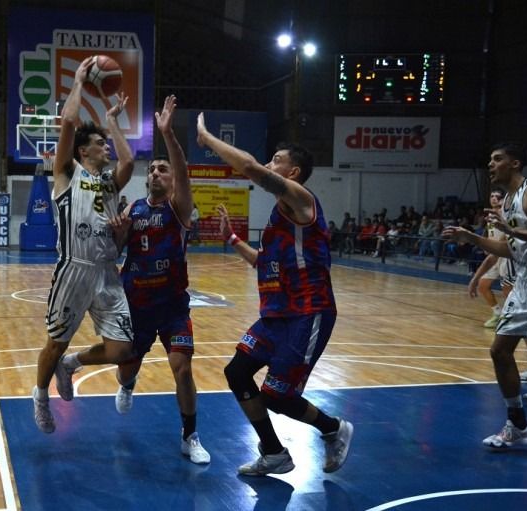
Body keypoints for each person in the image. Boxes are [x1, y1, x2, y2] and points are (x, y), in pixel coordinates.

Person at [196, 113, 353, 476]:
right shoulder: (279, 216)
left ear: (293, 172)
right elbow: (263, 262)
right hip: (277, 314)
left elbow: (250, 166)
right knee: (237, 372)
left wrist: (206, 138)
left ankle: (333, 428)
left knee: (278, 396)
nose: (269, 165)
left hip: (308, 312)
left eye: (277, 161)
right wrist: (233, 240)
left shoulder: (300, 200)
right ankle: (273, 452)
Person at [32, 57, 135, 434]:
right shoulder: (66, 175)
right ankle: (41, 396)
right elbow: (71, 123)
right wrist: (77, 80)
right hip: (73, 269)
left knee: (123, 350)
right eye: (99, 144)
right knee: (53, 343)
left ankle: (73, 364)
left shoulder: (110, 183)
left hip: (107, 273)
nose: (106, 148)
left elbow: (129, 159)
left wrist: (112, 122)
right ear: (82, 152)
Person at [108, 96, 210, 464]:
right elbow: (118, 251)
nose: (155, 173)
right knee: (126, 370)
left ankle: (190, 435)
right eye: (151, 169)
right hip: (135, 303)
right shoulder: (132, 210)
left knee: (182, 368)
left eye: (161, 170)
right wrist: (116, 233)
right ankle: (129, 382)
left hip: (172, 306)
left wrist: (169, 135)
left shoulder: (179, 208)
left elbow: (183, 172)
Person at [443, 142, 527, 467]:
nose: (491, 164)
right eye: (490, 159)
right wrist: (471, 238)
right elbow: (508, 249)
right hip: (525, 283)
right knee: (499, 352)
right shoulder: (509, 201)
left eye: (497, 159)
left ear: (515, 163)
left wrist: (512, 230)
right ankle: (517, 425)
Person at [468, 189, 514, 328]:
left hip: (505, 255)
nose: (494, 198)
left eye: (498, 197)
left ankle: (510, 317)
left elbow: (504, 237)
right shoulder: (490, 214)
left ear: (503, 200)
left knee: (508, 290)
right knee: (483, 285)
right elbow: (492, 233)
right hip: (494, 254)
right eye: (492, 196)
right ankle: (497, 313)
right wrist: (487, 242)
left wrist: (492, 245)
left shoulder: (507, 214)